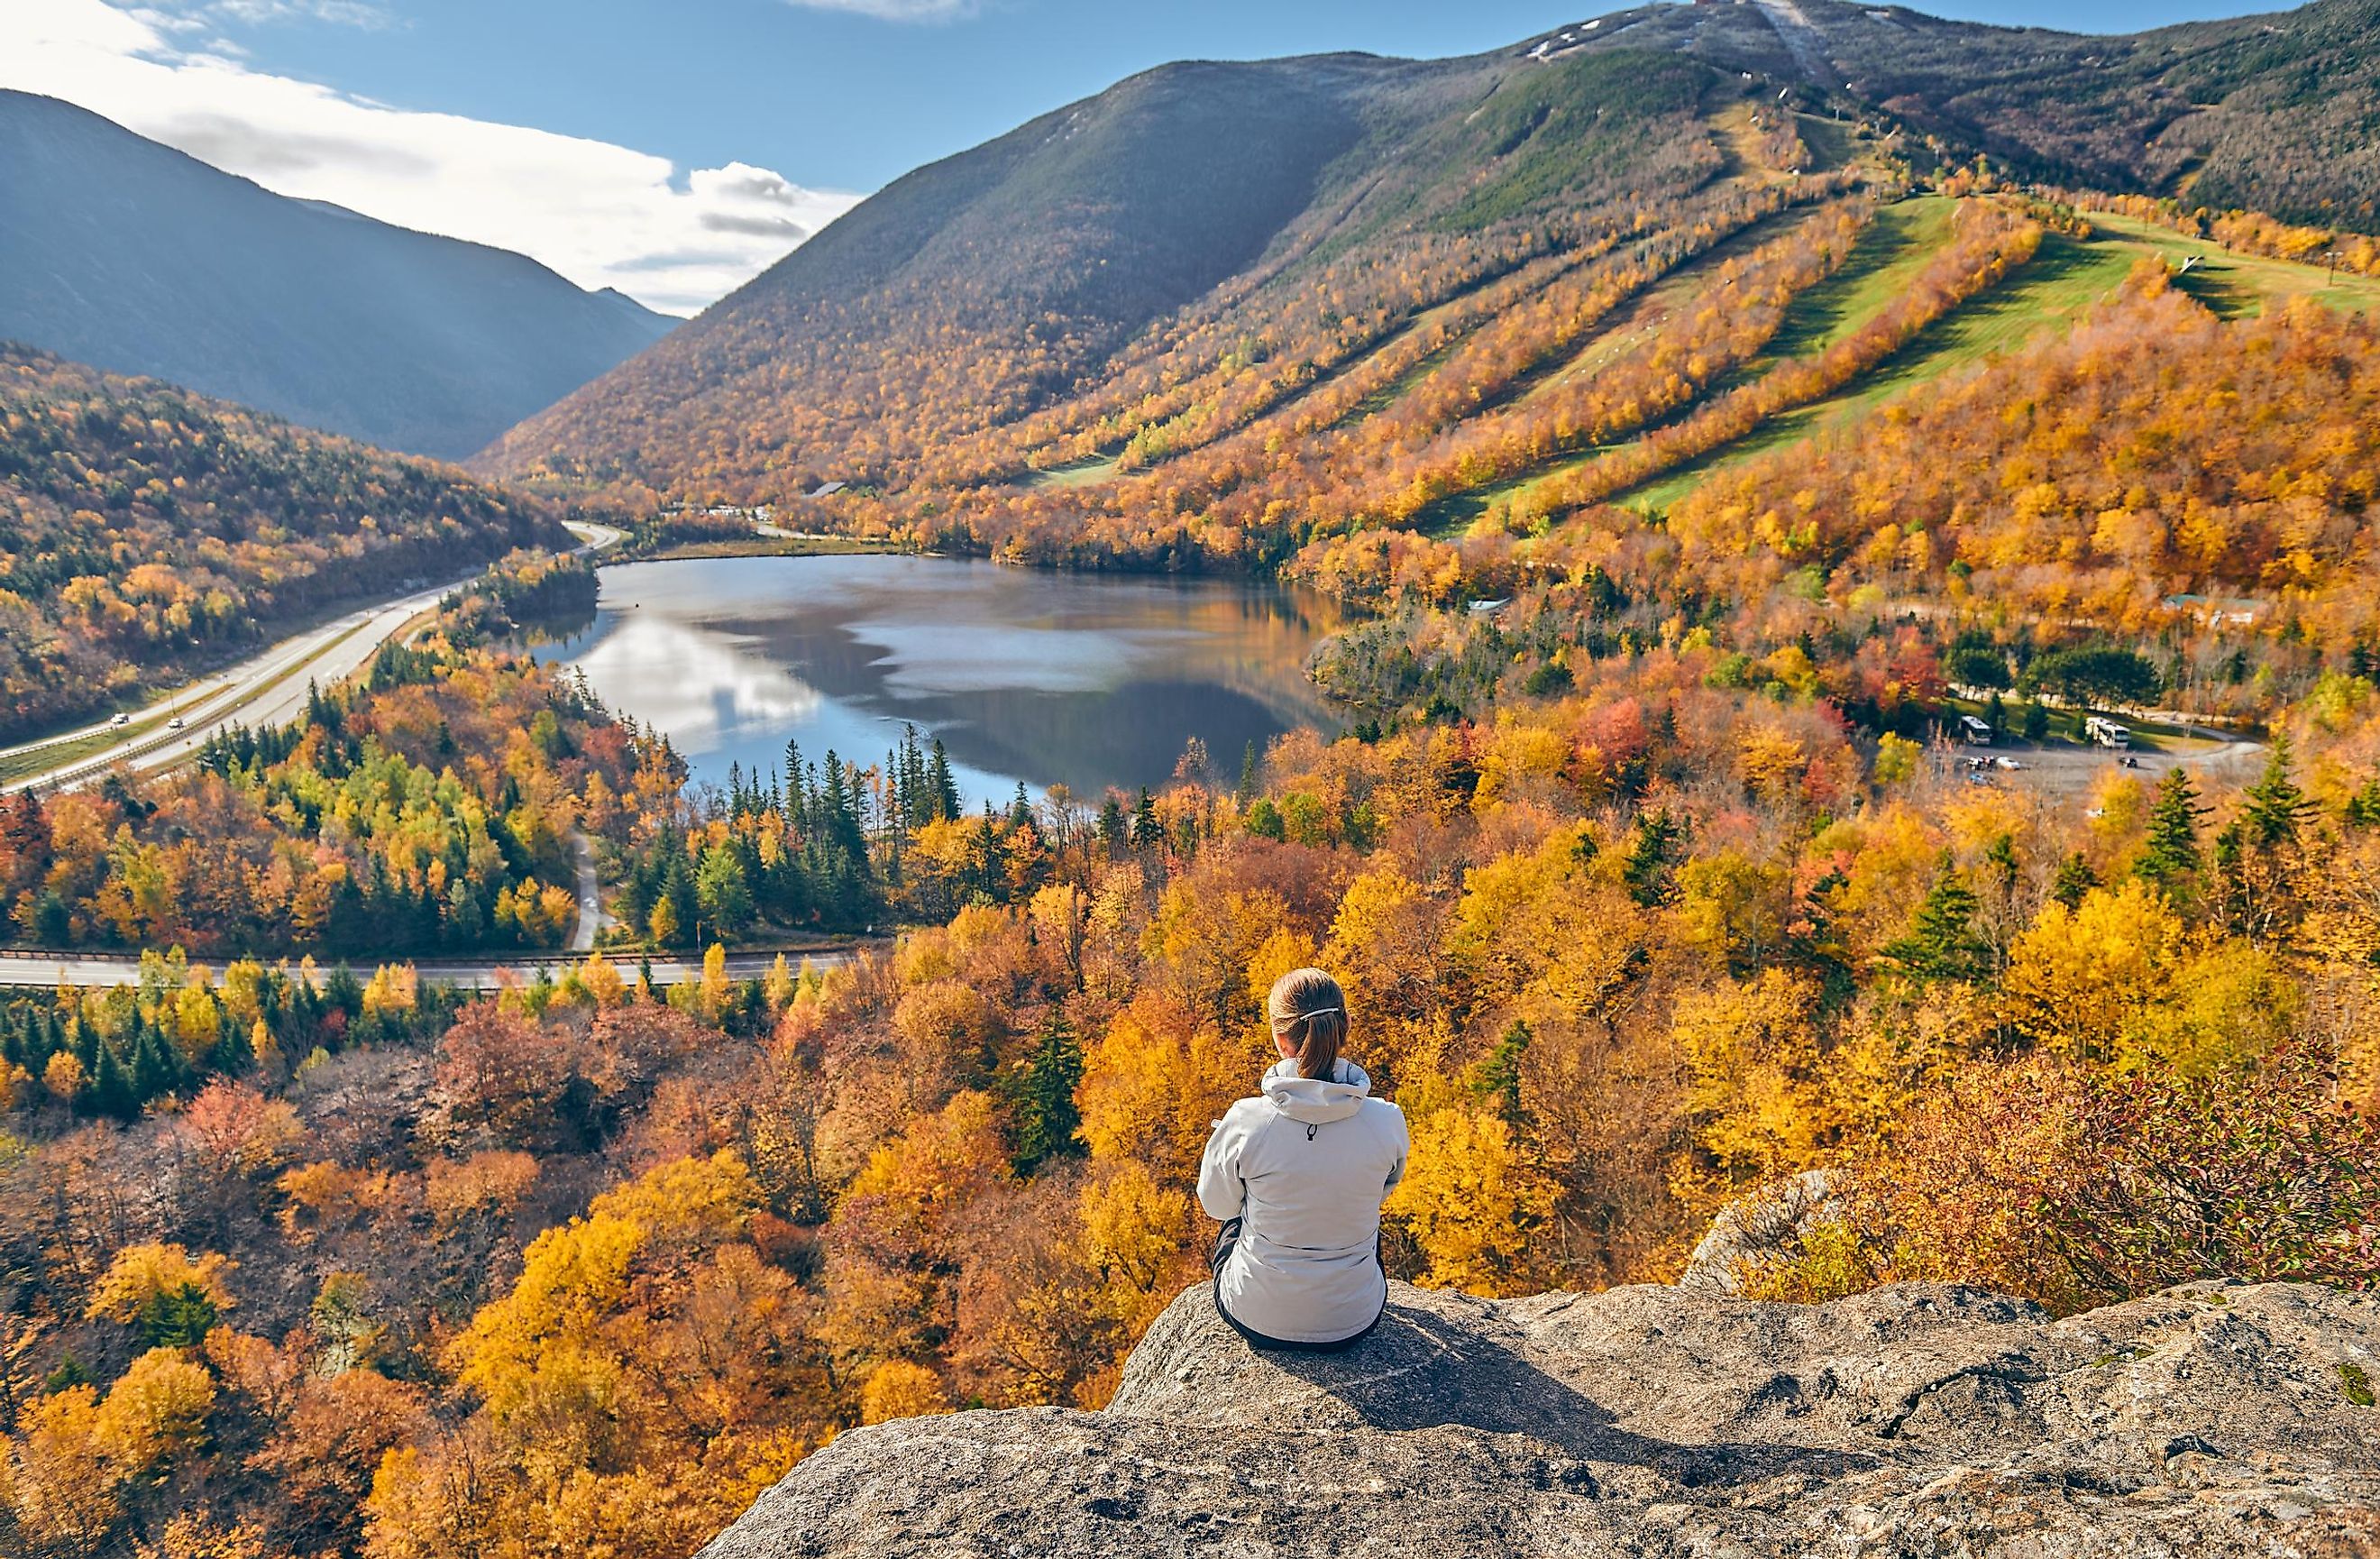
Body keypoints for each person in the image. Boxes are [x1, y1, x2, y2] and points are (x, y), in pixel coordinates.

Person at [1197, 967, 1409, 1352]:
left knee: (1236, 1210)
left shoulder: (1246, 1121)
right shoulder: (1387, 1121)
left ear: (1280, 1040)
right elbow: (1380, 1193)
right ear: (1346, 1024)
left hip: (1255, 1315)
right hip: (1355, 1320)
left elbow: (1217, 1206)